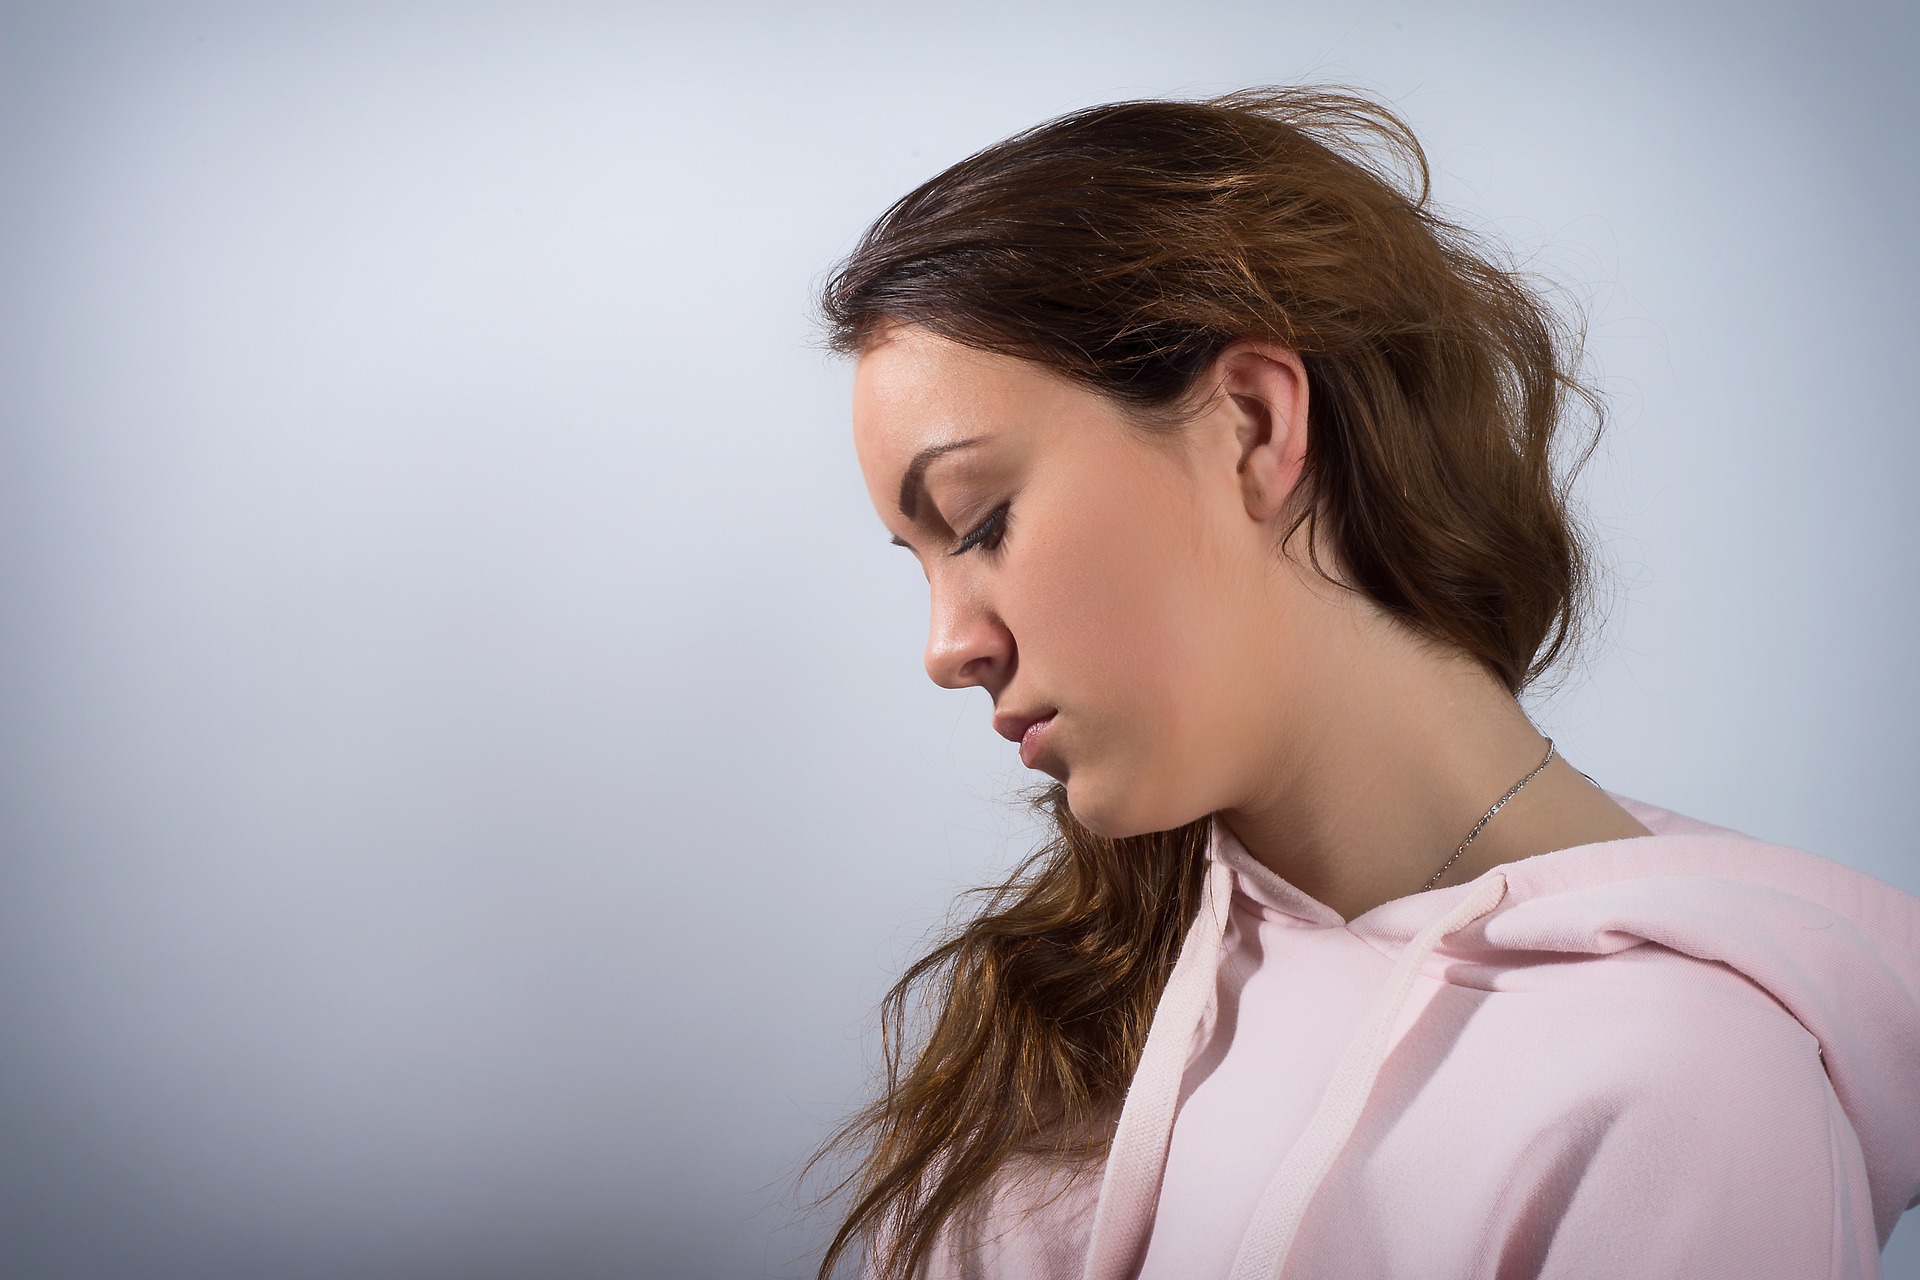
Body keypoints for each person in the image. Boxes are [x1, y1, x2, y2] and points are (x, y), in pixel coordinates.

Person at [807, 88, 1920, 1280]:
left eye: (977, 521)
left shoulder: (1688, 1088)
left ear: (1251, 420)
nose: (945, 646)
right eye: (918, 559)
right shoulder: (1081, 985)